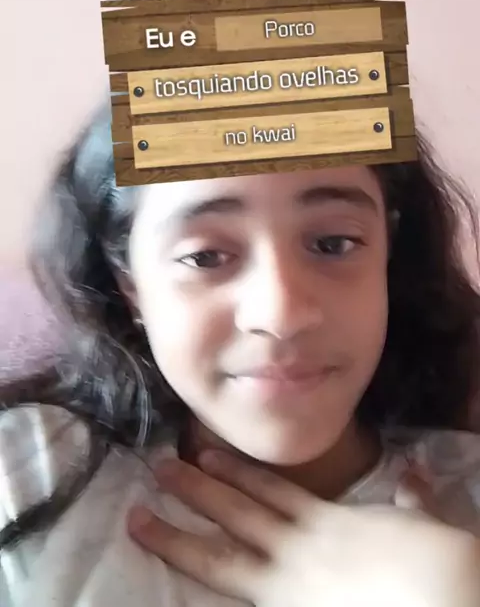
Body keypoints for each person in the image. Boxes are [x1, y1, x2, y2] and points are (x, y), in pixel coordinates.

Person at [1, 102, 480, 606]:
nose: (282, 316)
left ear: (388, 252)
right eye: (205, 256)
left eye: (333, 243)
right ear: (131, 284)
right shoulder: (28, 473)